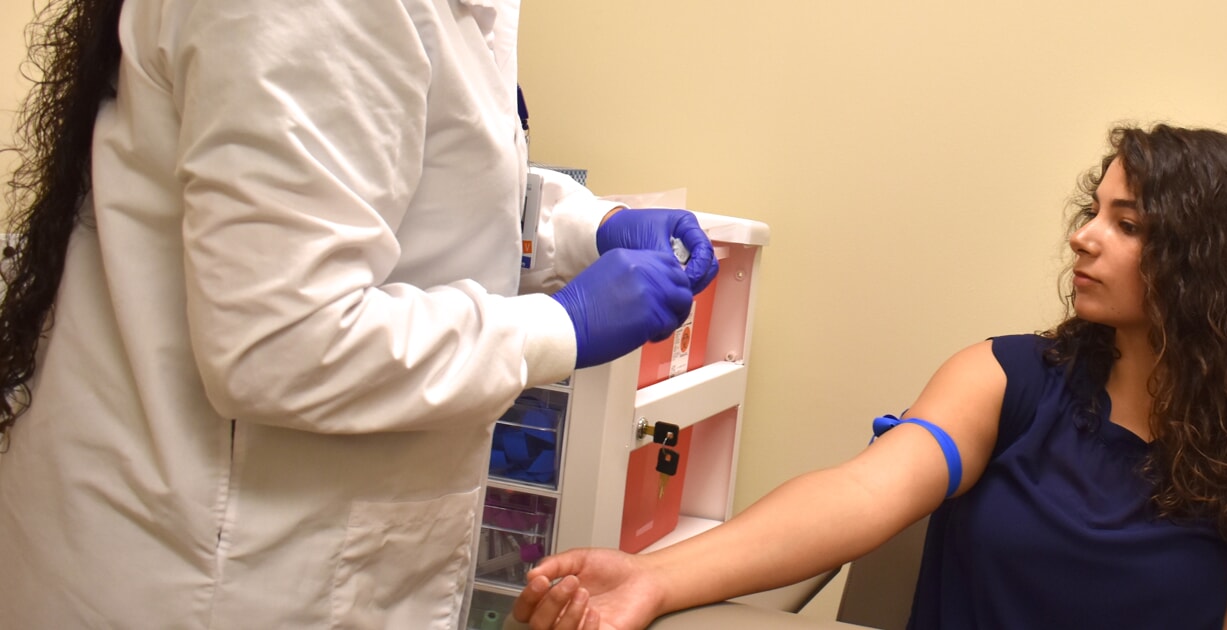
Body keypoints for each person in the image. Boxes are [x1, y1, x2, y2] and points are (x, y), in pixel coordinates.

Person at [0, 0, 714, 627]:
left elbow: (401, 169)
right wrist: (560, 327)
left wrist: (582, 227)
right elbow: (280, 342)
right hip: (214, 570)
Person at [513, 124, 1227, 630]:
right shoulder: (1011, 379)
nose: (1084, 238)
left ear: (1209, 265)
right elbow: (861, 497)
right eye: (1091, 211)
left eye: (1124, 223)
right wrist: (651, 578)